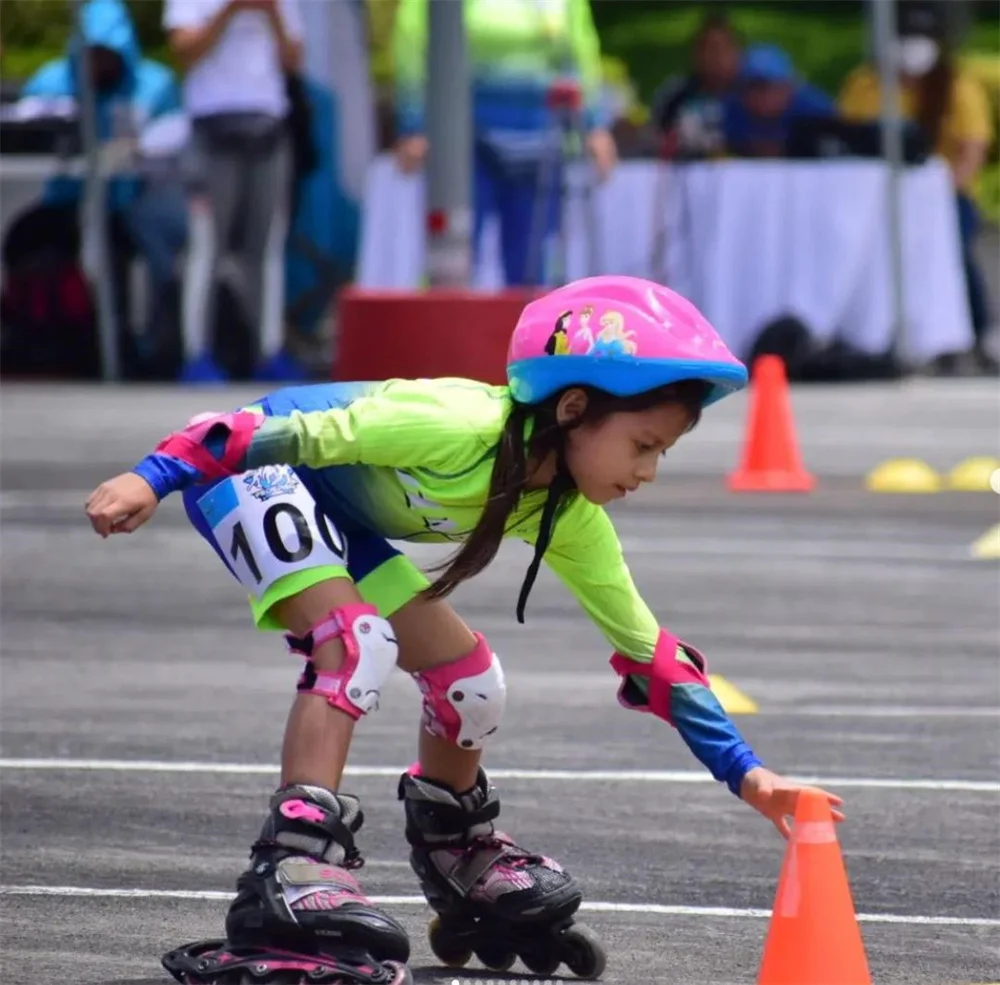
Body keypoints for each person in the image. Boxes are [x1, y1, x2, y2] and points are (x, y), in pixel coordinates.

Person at [85, 276, 845, 985]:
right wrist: (152, 476)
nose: (648, 471)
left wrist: (748, 774)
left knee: (472, 682)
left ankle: (457, 851)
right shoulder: (455, 425)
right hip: (240, 468)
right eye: (643, 444)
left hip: (333, 512)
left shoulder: (570, 513)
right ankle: (293, 865)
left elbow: (656, 659)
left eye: (663, 452)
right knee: (356, 643)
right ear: (574, 408)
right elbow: (262, 432)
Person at [392, 0, 618, 288]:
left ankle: (527, 334)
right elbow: (412, 41)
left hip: (541, 145)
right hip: (466, 146)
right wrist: (414, 124)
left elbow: (580, 51)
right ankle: (441, 330)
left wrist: (594, 123)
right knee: (450, 263)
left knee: (531, 272)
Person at [838, 3, 996, 374]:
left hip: (943, 197)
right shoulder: (867, 83)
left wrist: (947, 193)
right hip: (874, 199)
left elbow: (973, 146)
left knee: (954, 242)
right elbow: (844, 134)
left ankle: (977, 330)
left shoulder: (956, 85)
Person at [163, 0, 307, 384]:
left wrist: (272, 13)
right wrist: (229, 11)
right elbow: (184, 52)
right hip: (213, 131)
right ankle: (197, 354)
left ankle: (268, 351)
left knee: (267, 248)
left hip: (268, 128)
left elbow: (294, 61)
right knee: (207, 245)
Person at [651, 11, 743, 160]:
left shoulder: (751, 95)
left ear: (737, 52)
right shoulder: (674, 95)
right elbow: (656, 137)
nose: (716, 57)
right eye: (709, 49)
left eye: (722, 48)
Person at [722, 43, 836, 159]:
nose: (763, 97)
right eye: (753, 88)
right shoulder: (731, 110)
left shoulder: (815, 110)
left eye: (770, 87)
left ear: (788, 86)